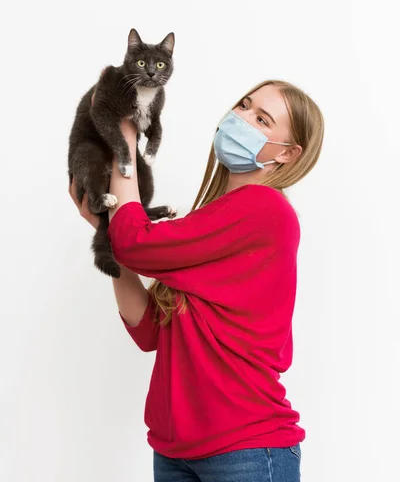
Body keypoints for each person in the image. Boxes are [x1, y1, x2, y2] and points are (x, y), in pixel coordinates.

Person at [69, 79, 324, 482]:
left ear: (288, 154)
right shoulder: (212, 221)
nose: (240, 117)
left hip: (246, 450)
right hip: (174, 453)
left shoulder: (265, 211)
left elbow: (136, 242)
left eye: (261, 119)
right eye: (244, 105)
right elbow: (151, 328)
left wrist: (124, 134)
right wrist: (107, 232)